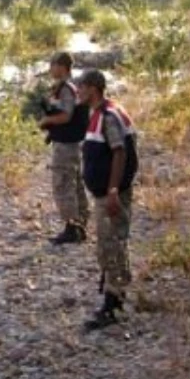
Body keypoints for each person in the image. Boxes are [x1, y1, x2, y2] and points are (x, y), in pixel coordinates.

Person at [76, 69, 139, 331]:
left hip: (111, 195)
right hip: (105, 193)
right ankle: (115, 294)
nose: (78, 91)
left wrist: (112, 190)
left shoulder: (108, 116)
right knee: (111, 243)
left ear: (93, 88)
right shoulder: (103, 113)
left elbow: (119, 151)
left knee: (111, 245)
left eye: (81, 86)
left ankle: (114, 305)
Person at [37, 52, 91, 245]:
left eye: (53, 64)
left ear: (62, 66)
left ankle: (72, 228)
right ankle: (80, 224)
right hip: (73, 142)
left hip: (67, 145)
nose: (51, 69)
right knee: (75, 184)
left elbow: (66, 116)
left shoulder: (67, 89)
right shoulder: (73, 87)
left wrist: (46, 120)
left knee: (63, 184)